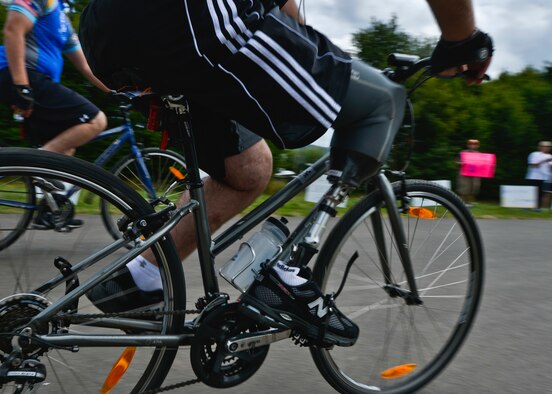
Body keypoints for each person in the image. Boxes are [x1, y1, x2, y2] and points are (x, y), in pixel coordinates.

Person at [80, 0, 493, 346]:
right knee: (382, 102)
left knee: (249, 169)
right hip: (193, 17)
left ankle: (140, 278)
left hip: (107, 29)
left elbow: (287, 12)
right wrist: (465, 41)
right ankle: (284, 275)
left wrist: (321, 60)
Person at [0, 0, 110, 228]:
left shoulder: (61, 19)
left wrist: (120, 91)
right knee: (95, 120)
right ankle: (33, 165)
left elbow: (87, 67)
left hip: (34, 80)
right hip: (24, 76)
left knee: (64, 147)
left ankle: (49, 210)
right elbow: (12, 30)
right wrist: (22, 87)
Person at [526, 141, 552, 210]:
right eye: (545, 146)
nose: (547, 148)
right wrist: (545, 160)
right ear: (540, 147)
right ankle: (527, 206)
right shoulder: (534, 154)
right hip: (534, 177)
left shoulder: (550, 156)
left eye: (549, 146)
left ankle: (538, 207)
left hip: (545, 177)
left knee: (542, 193)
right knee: (532, 192)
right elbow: (533, 165)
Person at [457, 139, 482, 206]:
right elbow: (457, 161)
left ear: (477, 146)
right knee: (464, 187)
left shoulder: (479, 154)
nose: (472, 146)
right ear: (468, 145)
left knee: (474, 188)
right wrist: (461, 163)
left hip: (475, 175)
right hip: (465, 174)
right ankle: (463, 202)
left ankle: (470, 202)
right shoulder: (463, 153)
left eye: (474, 144)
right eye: (470, 144)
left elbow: (483, 164)